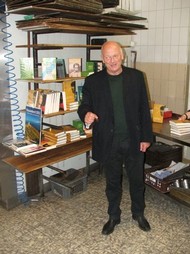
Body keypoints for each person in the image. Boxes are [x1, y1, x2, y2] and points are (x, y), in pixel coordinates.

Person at [77, 41, 153, 235]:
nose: (112, 61)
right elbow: (84, 105)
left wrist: (146, 137)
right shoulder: (93, 81)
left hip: (134, 140)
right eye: (107, 57)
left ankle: (138, 213)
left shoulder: (136, 77)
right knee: (112, 182)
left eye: (115, 56)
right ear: (102, 59)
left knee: (137, 180)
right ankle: (113, 216)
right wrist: (86, 114)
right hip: (108, 141)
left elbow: (144, 109)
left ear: (122, 56)